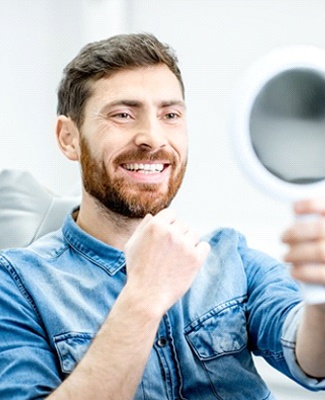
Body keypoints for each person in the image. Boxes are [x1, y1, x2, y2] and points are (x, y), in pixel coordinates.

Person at [0, 33, 324, 400]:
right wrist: (144, 295)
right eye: (123, 114)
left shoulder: (231, 257)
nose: (153, 138)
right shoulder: (14, 284)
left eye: (170, 115)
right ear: (69, 138)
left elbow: (311, 357)